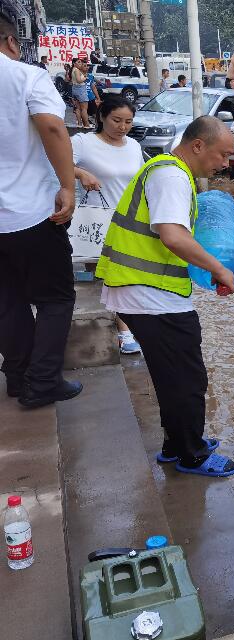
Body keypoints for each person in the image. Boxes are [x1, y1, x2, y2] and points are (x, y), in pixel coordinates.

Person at [94, 116, 234, 477]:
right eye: (222, 155)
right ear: (197, 146)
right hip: (150, 295)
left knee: (173, 375)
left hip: (147, 291)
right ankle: (191, 455)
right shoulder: (172, 175)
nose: (224, 164)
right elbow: (172, 236)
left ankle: (177, 444)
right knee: (187, 379)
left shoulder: (168, 172)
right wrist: (220, 270)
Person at [0, 15, 81, 408]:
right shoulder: (26, 77)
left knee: (7, 300)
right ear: (12, 42)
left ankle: (17, 377)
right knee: (56, 299)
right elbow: (52, 127)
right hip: (30, 213)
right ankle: (43, 381)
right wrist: (67, 185)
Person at [72, 97, 145, 354]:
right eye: (117, 120)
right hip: (95, 223)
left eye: (128, 121)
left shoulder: (134, 146)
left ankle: (125, 326)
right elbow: (53, 162)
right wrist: (80, 173)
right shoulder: (83, 143)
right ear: (101, 116)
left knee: (125, 277)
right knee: (113, 278)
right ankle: (124, 331)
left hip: (129, 222)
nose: (122, 127)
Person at [71, 58, 90, 128]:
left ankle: (79, 124)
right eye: (78, 62)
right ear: (74, 63)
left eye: (80, 62)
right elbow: (79, 80)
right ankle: (87, 125)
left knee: (78, 108)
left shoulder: (73, 70)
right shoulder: (77, 70)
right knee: (84, 109)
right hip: (80, 89)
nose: (80, 64)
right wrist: (85, 77)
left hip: (74, 89)